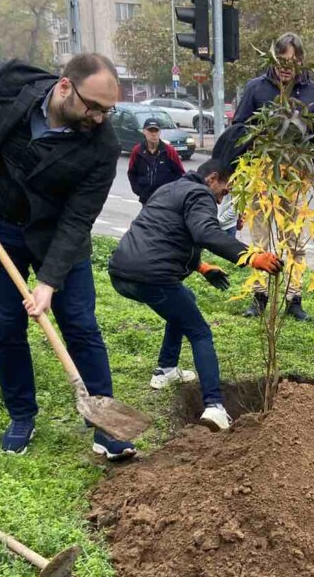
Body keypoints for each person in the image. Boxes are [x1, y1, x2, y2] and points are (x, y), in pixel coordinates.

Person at [0, 46, 135, 460]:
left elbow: (77, 218)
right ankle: (22, 415)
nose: (101, 118)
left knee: (81, 325)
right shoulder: (9, 81)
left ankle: (106, 426)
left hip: (55, 234)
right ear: (65, 87)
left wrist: (48, 282)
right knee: (4, 325)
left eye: (109, 110)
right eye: (94, 107)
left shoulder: (102, 145)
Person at [108, 159, 282, 431]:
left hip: (120, 273)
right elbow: (205, 233)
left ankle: (165, 370)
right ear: (212, 179)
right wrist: (251, 256)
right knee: (200, 332)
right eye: (225, 191)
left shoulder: (171, 189)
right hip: (153, 277)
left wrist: (200, 266)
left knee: (183, 300)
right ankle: (214, 406)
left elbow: (166, 233)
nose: (224, 197)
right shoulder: (200, 194)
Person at [232, 32, 314, 322]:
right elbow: (239, 131)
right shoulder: (256, 89)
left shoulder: (313, 92)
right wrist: (236, 174)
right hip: (261, 174)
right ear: (273, 58)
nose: (287, 66)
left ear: (301, 61)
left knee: (295, 240)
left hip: (297, 177)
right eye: (281, 60)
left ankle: (293, 297)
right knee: (260, 239)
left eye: (293, 61)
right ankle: (259, 296)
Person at [127, 115, 185, 205]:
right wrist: (138, 190)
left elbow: (180, 174)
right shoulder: (137, 151)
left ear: (160, 132)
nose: (153, 134)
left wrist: (172, 192)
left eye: (156, 131)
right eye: (150, 131)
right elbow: (132, 173)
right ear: (144, 132)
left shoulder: (169, 151)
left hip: (166, 200)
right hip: (146, 199)